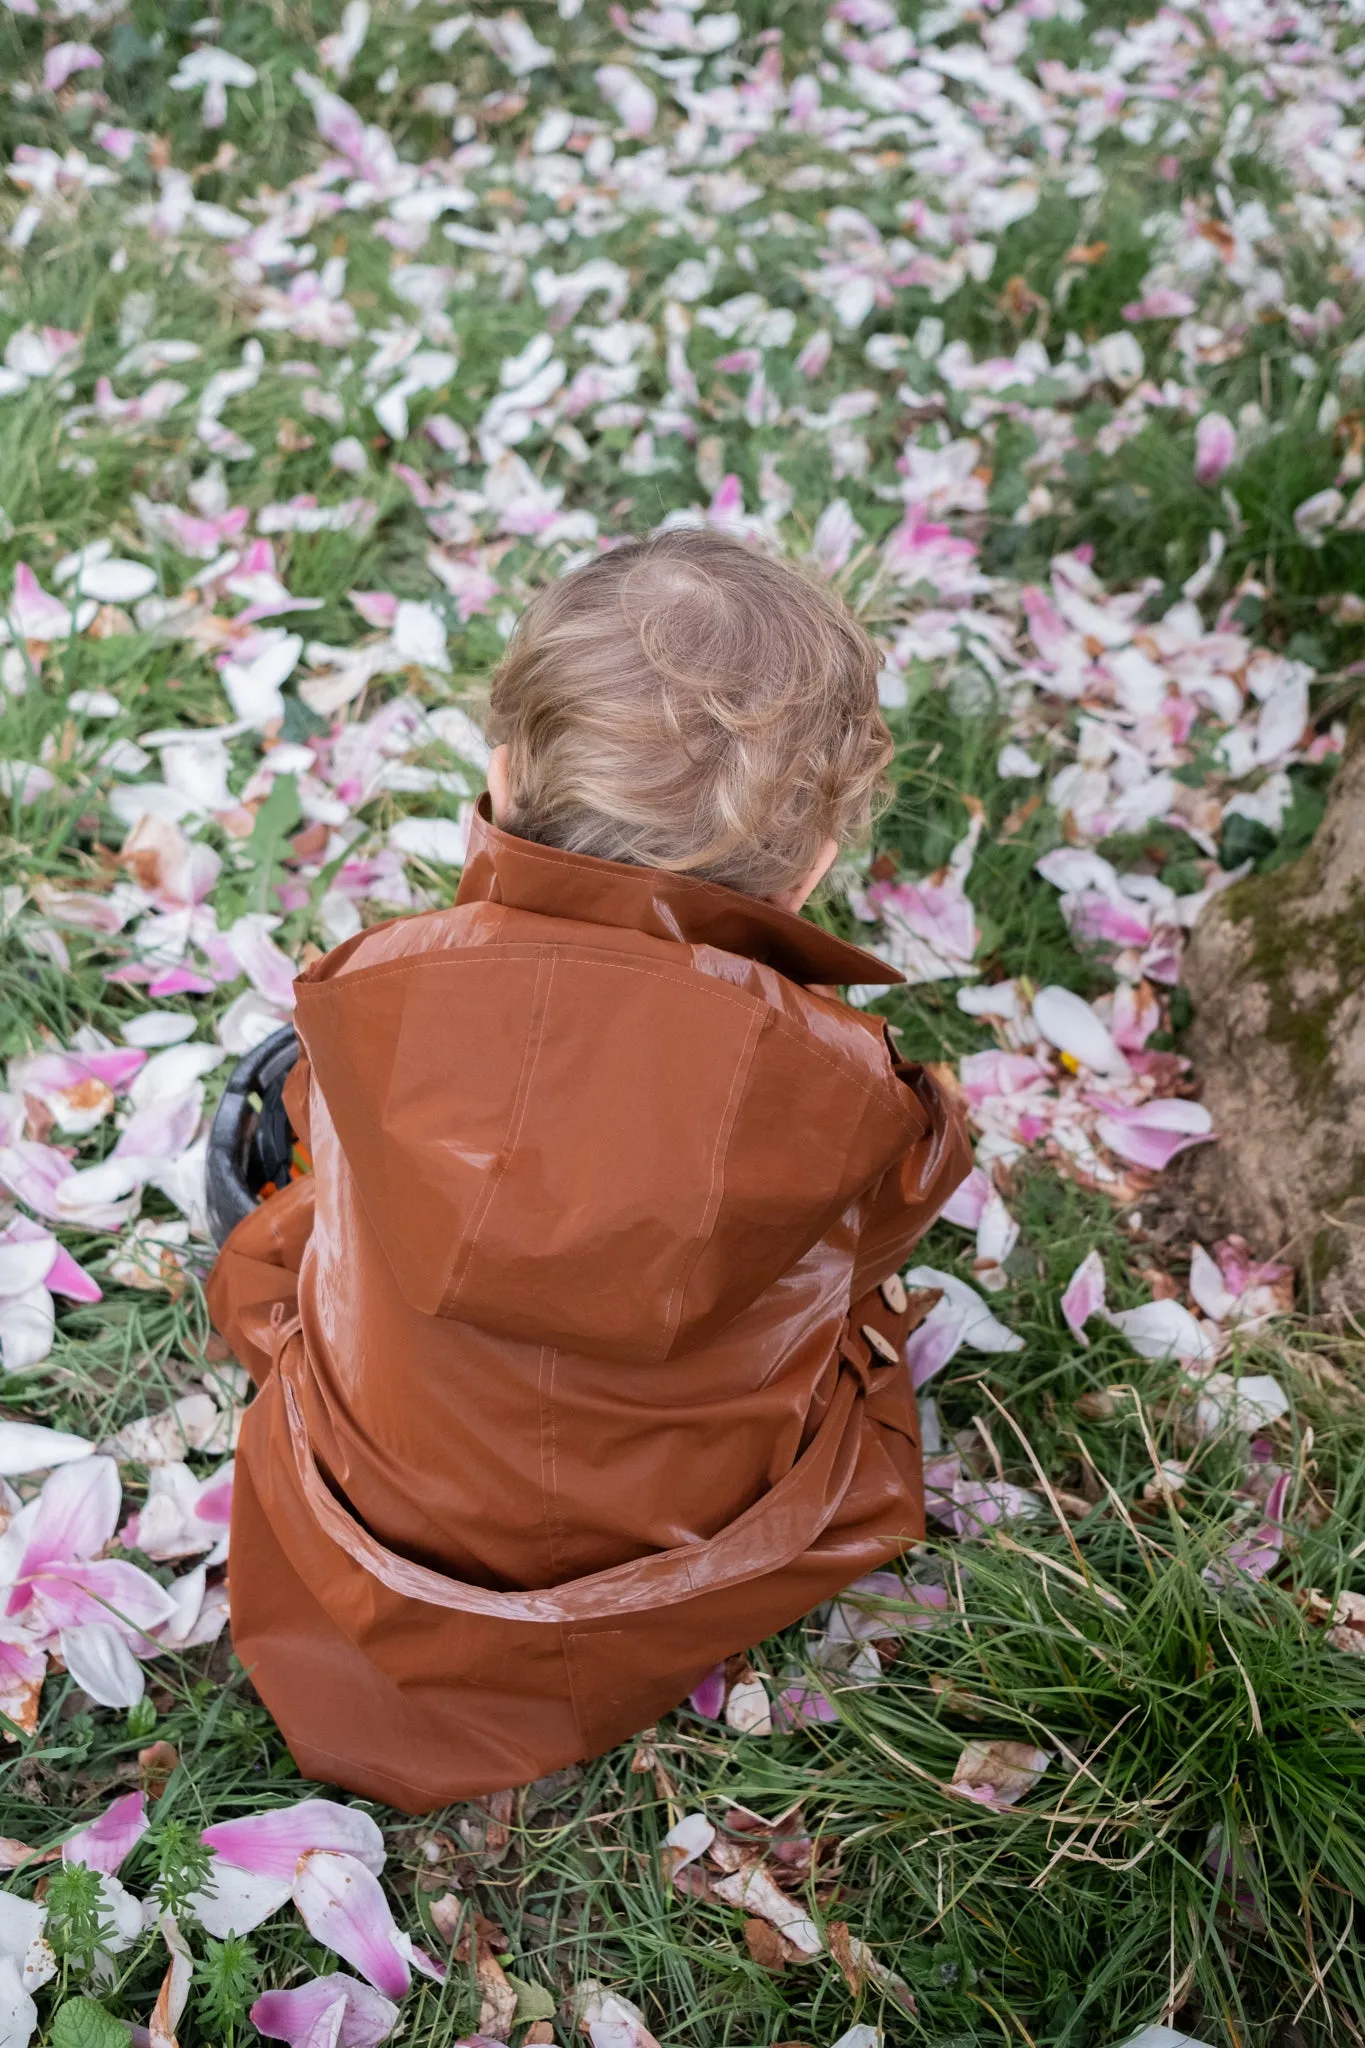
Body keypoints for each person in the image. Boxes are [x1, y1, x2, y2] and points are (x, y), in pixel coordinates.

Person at [207, 527, 971, 1813]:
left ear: (498, 775)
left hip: (372, 1524)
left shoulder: (376, 997)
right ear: (819, 862)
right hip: (676, 1543)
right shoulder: (855, 1096)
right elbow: (858, 1260)